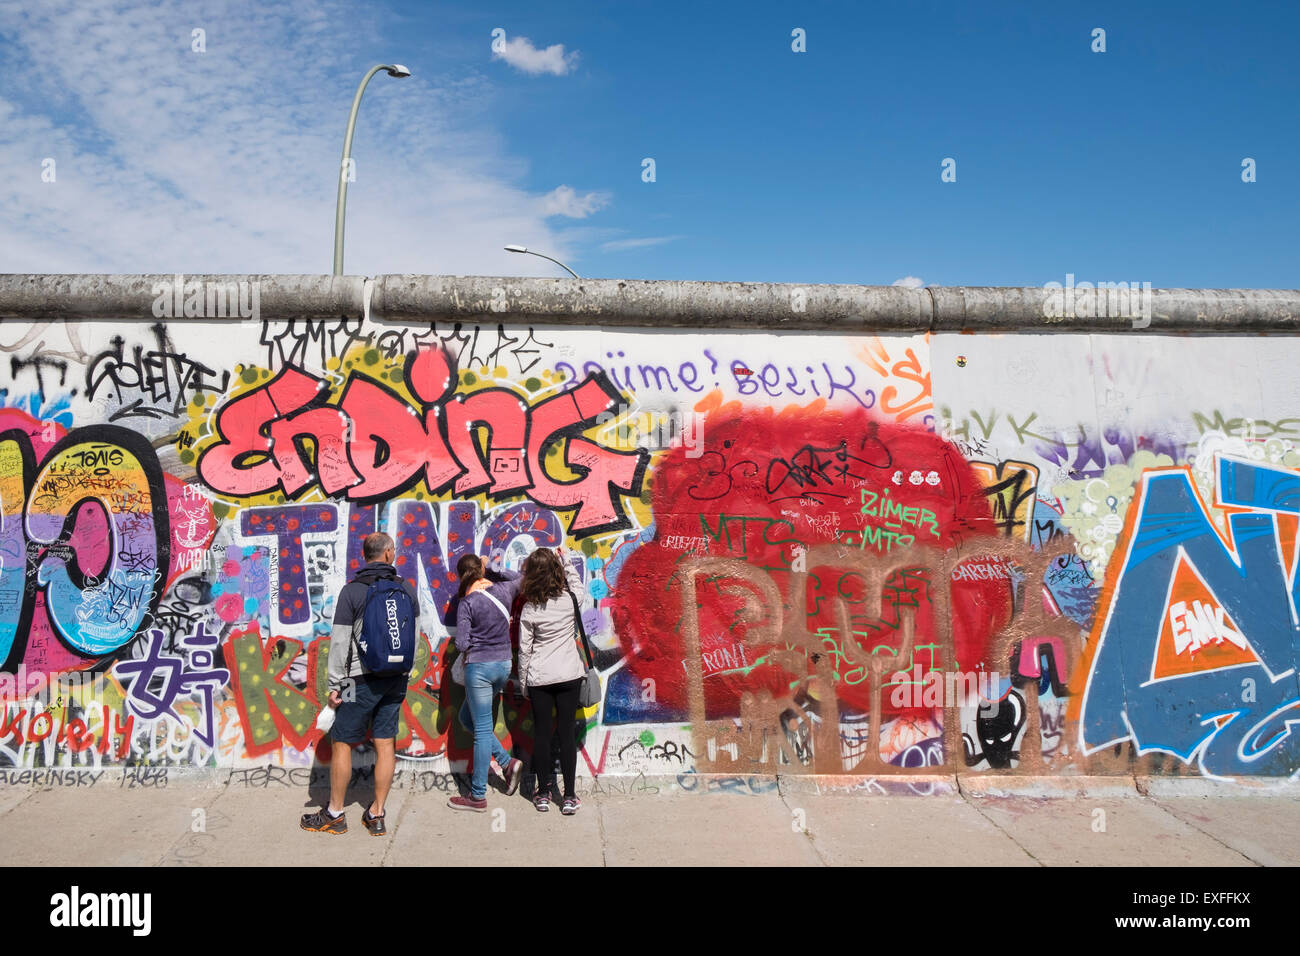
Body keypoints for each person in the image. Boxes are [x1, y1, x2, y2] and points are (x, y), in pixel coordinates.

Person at [301, 532, 421, 836]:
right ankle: (377, 813)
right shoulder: (406, 588)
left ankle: (335, 813)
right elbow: (414, 637)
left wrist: (335, 685)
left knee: (341, 740)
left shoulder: (352, 591)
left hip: (358, 680)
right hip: (396, 680)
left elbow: (340, 641)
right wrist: (405, 671)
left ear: (365, 555)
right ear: (388, 553)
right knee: (385, 744)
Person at [447, 552, 525, 811]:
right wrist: (491, 567)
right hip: (503, 665)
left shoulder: (467, 603)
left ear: (461, 575)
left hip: (479, 668)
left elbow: (461, 643)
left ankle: (477, 795)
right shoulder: (503, 590)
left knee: (480, 730)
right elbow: (521, 577)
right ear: (480, 570)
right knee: (467, 719)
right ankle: (507, 762)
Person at [517, 546, 589, 815]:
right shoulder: (570, 600)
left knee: (543, 736)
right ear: (556, 571)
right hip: (569, 675)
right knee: (567, 734)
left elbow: (525, 651)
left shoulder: (529, 609)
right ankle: (569, 796)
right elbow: (577, 585)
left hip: (540, 678)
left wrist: (524, 683)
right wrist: (567, 560)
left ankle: (544, 793)